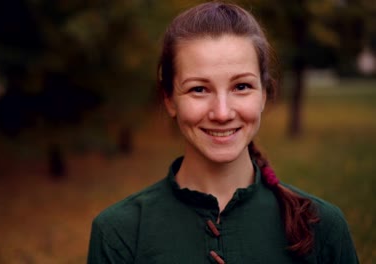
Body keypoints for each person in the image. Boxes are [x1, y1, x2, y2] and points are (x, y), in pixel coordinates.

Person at [87, 2, 359, 263]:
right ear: (169, 99)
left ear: (264, 94)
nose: (222, 113)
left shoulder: (321, 226)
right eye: (199, 89)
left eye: (241, 86)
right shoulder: (118, 234)